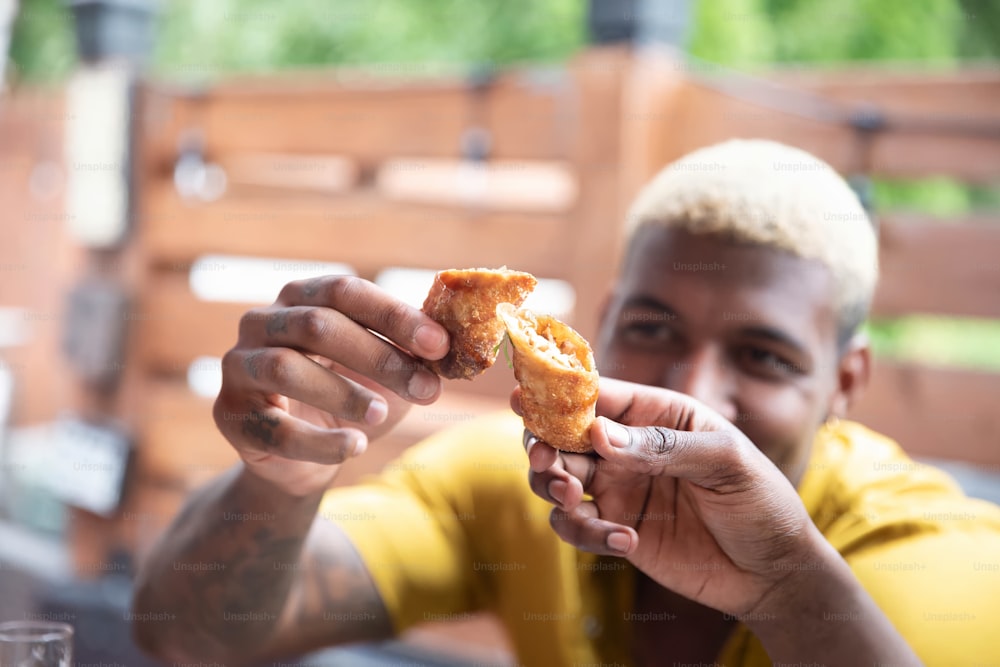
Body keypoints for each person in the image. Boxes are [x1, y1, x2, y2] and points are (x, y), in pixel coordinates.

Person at [132, 139, 1000, 666]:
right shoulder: (516, 482)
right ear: (603, 320)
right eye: (653, 328)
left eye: (764, 355)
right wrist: (281, 483)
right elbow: (188, 632)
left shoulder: (932, 555)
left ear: (845, 381)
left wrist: (788, 590)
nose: (689, 394)